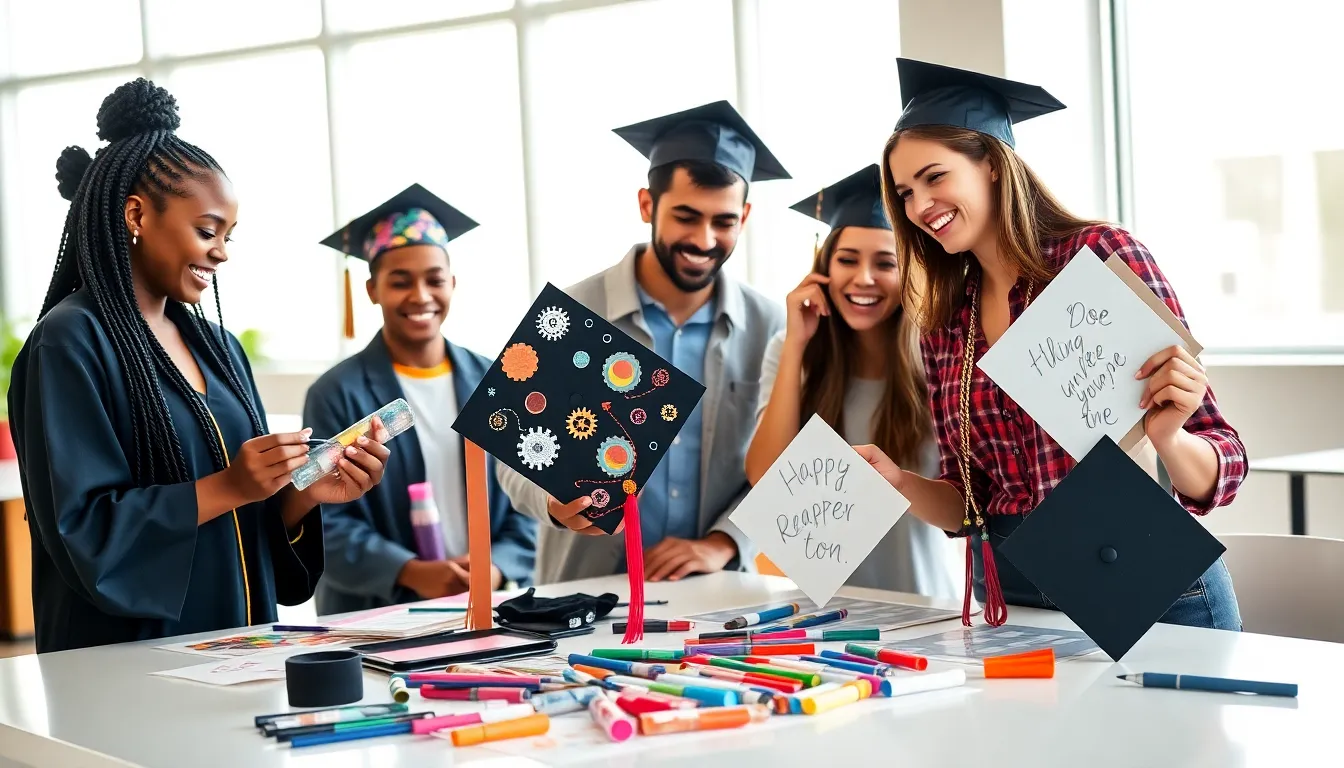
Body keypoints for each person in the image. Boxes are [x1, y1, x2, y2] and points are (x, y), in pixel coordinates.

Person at [858, 58, 1245, 629]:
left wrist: (1169, 435)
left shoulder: (1098, 258)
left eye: (935, 177)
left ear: (991, 164)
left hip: (1140, 573)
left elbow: (1223, 463)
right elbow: (974, 505)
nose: (919, 207)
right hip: (1014, 591)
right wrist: (899, 483)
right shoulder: (944, 324)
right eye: (906, 192)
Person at [8, 79, 390, 653]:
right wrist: (231, 483)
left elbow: (246, 520)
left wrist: (306, 492)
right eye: (207, 230)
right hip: (133, 662)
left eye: (229, 236)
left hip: (240, 650)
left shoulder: (220, 347)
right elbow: (84, 530)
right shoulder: (69, 342)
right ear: (136, 215)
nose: (222, 252)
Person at [496, 101, 787, 584]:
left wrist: (726, 540)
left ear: (746, 215)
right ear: (647, 205)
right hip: (583, 587)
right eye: (686, 216)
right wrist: (550, 502)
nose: (704, 239)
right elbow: (512, 456)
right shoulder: (569, 312)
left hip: (717, 594)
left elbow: (785, 465)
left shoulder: (772, 327)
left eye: (723, 221)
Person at [304, 183, 537, 615]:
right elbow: (322, 517)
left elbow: (527, 490)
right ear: (372, 289)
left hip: (486, 603)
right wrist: (409, 571)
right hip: (377, 613)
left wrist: (498, 566)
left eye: (434, 279)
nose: (421, 296)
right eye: (400, 281)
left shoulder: (495, 378)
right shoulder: (336, 393)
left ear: (453, 283)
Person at [746, 165, 959, 600]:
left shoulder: (939, 353)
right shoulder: (791, 350)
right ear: (824, 269)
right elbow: (765, 478)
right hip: (819, 606)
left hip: (926, 599)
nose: (863, 278)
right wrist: (796, 345)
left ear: (910, 274)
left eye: (885, 263)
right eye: (847, 260)